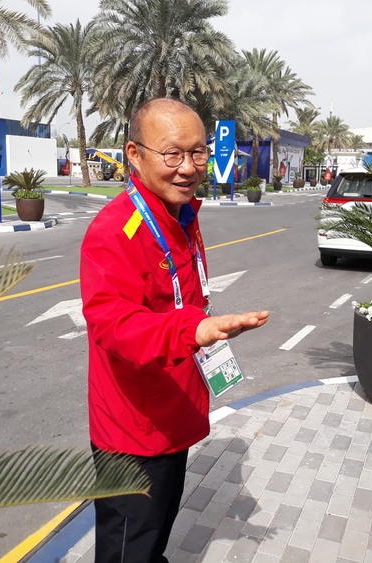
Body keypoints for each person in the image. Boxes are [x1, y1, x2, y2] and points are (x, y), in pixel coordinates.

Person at [79, 97, 270, 562]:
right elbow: (114, 325)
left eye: (198, 152)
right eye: (172, 154)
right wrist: (195, 331)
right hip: (134, 428)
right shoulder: (115, 231)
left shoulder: (180, 216)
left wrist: (195, 330)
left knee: (154, 536)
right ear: (134, 154)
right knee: (128, 545)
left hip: (172, 409)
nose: (188, 168)